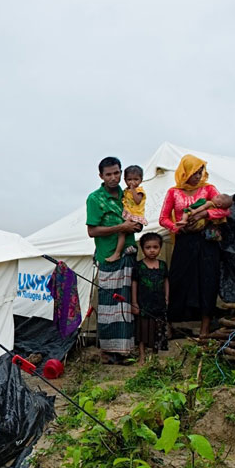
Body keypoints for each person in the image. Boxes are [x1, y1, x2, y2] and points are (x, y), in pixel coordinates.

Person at [159, 155, 231, 338]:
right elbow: (163, 218)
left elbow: (225, 209)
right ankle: (170, 323)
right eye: (194, 172)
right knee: (177, 278)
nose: (198, 175)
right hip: (184, 240)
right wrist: (176, 227)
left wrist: (204, 214)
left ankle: (205, 328)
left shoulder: (209, 189)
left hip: (207, 242)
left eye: (200, 171)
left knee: (208, 280)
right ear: (185, 172)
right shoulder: (174, 192)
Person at [86, 156, 142, 363]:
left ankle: (125, 350)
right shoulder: (95, 199)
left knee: (125, 304)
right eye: (108, 174)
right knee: (109, 306)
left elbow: (138, 213)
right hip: (108, 258)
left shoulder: (128, 194)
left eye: (117, 173)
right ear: (101, 176)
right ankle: (108, 352)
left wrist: (136, 226)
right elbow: (92, 231)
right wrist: (121, 228)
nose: (113, 177)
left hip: (128, 254)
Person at [131, 232, 169, 363]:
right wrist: (134, 302)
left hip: (158, 303)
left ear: (160, 248)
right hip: (144, 303)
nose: (152, 250)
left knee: (156, 330)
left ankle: (154, 356)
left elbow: (165, 281)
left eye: (155, 247)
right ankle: (142, 356)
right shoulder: (139, 266)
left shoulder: (163, 265)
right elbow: (134, 283)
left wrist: (166, 297)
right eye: (148, 247)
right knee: (143, 330)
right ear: (142, 249)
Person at [106, 165, 147, 262]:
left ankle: (117, 253)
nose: (132, 182)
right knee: (123, 231)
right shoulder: (125, 191)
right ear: (125, 180)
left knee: (122, 232)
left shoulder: (139, 191)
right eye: (129, 179)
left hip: (135, 217)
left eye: (136, 179)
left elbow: (137, 201)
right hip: (128, 215)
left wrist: (133, 189)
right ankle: (126, 249)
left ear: (141, 180)